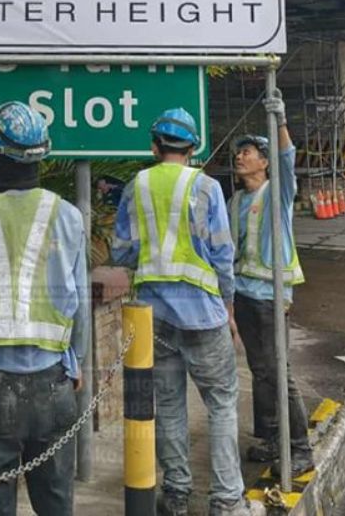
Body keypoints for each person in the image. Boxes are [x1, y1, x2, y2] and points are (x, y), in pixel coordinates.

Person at [112, 108, 259, 516]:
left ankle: (176, 495)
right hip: (204, 314)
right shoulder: (207, 188)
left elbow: (120, 250)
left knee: (170, 404)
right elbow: (222, 255)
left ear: (155, 146)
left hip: (152, 317)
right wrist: (228, 307)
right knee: (221, 403)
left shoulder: (136, 186)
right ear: (193, 148)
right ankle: (227, 500)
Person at [0, 101, 88, 516]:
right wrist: (74, 363)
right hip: (54, 381)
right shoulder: (69, 216)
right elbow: (76, 297)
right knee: (56, 501)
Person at [229, 95, 314, 477]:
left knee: (279, 371)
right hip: (244, 296)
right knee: (260, 370)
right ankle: (269, 438)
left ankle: (299, 448)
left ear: (264, 162)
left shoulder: (277, 194)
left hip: (270, 297)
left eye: (247, 152)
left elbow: (286, 159)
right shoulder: (235, 201)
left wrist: (279, 120)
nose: (240, 157)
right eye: (239, 153)